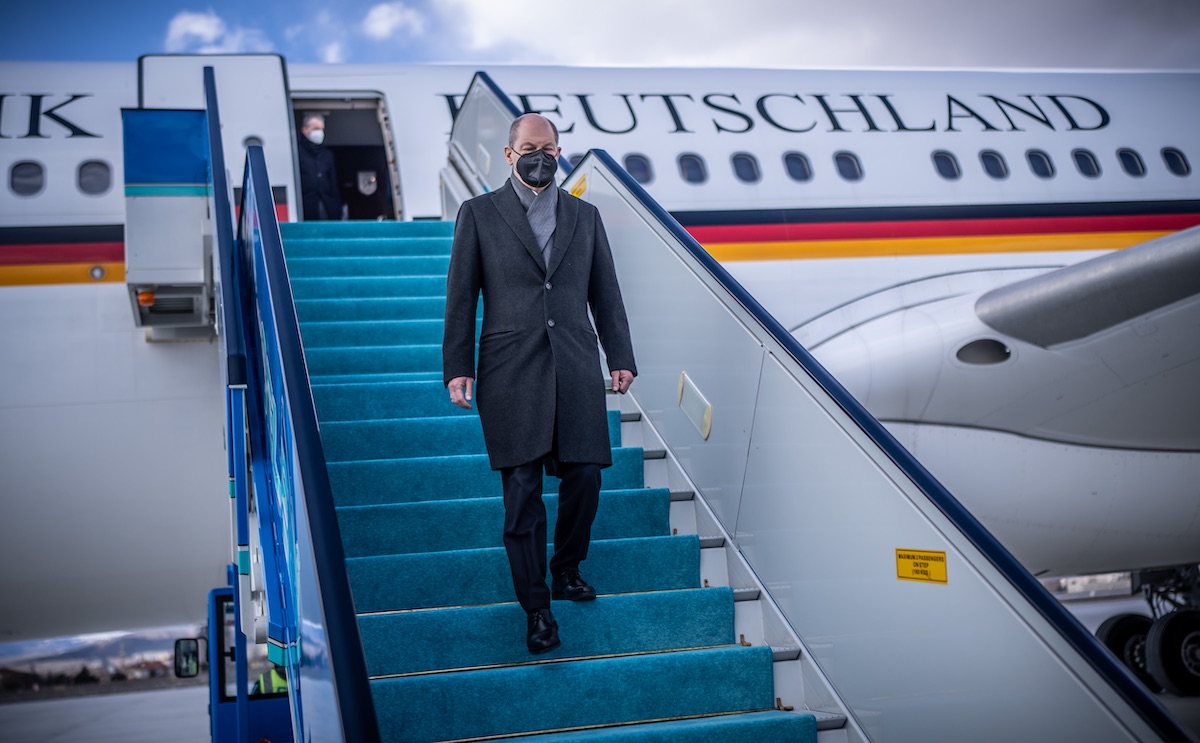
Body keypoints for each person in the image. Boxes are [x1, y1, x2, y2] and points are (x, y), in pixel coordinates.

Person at [443, 113, 637, 655]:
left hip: (575, 363)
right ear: (509, 154)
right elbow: (462, 297)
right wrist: (457, 365)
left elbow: (607, 293)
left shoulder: (586, 215)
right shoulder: (478, 214)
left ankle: (566, 568)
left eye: (549, 148)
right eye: (530, 148)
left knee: (586, 477)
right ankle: (537, 609)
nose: (541, 156)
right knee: (523, 493)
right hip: (510, 369)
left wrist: (620, 355)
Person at [296, 113, 342, 220]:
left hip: (327, 206)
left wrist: (337, 207)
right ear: (305, 129)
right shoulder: (297, 153)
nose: (320, 132)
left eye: (321, 129)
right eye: (316, 128)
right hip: (305, 207)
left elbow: (333, 183)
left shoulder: (327, 154)